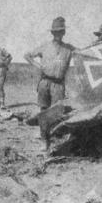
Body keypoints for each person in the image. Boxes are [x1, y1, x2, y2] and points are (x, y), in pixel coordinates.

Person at [24, 16, 76, 151]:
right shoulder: (45, 46)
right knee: (43, 112)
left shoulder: (69, 49)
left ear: (64, 33)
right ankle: (44, 141)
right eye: (55, 32)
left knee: (56, 113)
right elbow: (27, 55)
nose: (58, 34)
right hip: (45, 83)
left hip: (59, 84)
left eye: (60, 32)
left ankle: (54, 138)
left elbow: (86, 53)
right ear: (52, 33)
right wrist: (38, 66)